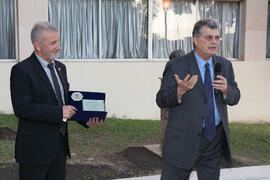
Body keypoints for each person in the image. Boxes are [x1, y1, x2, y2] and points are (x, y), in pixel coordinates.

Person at [10, 21, 102, 180]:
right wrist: (59, 112)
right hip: (34, 152)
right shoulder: (21, 70)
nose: (58, 46)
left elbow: (65, 101)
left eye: (58, 41)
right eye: (53, 43)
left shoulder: (61, 67)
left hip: (59, 149)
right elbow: (22, 108)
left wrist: (85, 119)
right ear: (37, 45)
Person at [156, 18, 240, 180]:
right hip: (182, 139)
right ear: (195, 40)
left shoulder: (225, 65)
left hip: (213, 139)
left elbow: (235, 97)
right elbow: (161, 100)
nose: (214, 42)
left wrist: (226, 89)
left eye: (217, 38)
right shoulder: (177, 65)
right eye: (208, 37)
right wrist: (179, 91)